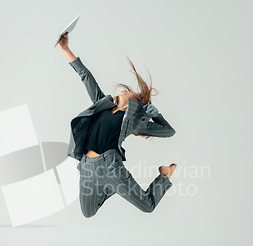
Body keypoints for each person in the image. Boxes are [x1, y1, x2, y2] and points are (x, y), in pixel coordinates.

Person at [58, 32, 177, 218]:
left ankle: (165, 175)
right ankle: (113, 187)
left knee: (147, 206)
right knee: (88, 212)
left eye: (130, 92)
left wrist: (155, 114)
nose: (124, 89)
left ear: (135, 104)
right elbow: (85, 76)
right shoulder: (102, 104)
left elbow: (169, 132)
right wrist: (66, 49)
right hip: (87, 166)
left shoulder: (134, 121)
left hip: (109, 166)